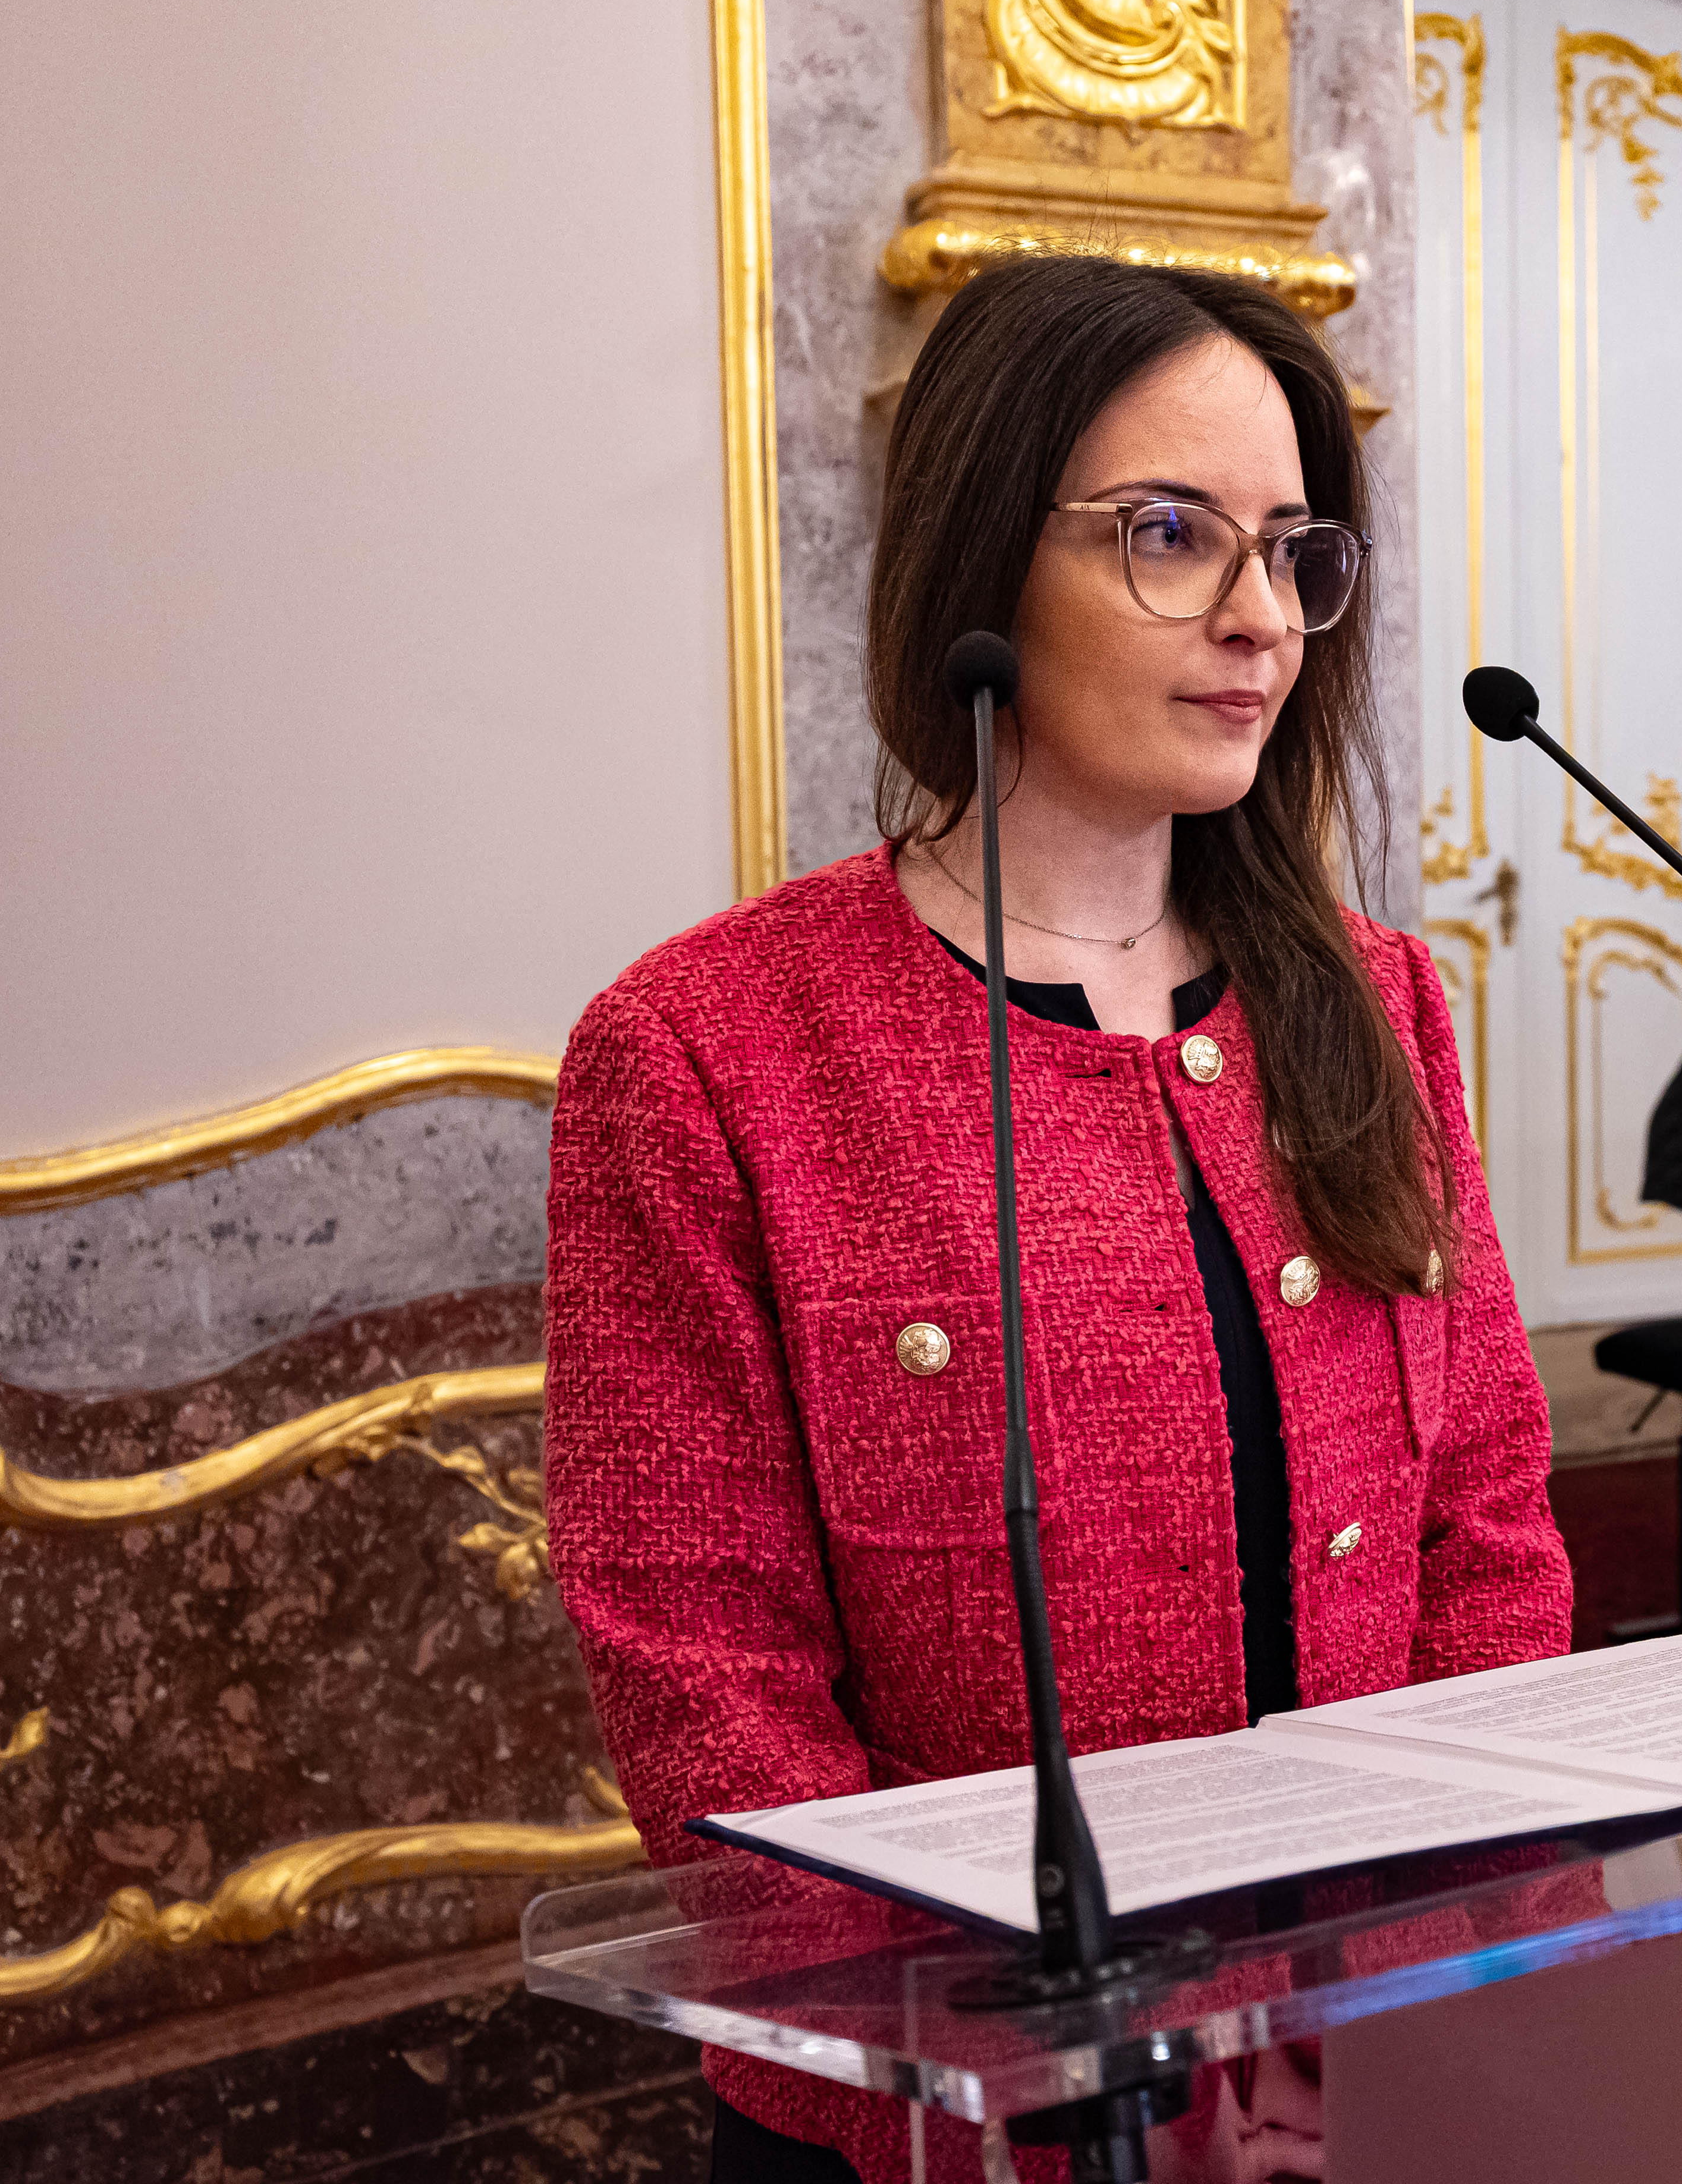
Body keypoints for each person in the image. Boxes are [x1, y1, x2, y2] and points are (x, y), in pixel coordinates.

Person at [542, 255, 1574, 2183]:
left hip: (1363, 2065)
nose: (1260, 618)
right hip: (944, 2111)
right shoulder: (703, 1051)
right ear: (980, 560)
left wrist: (1445, 1962)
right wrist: (973, 2073)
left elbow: (1488, 1526)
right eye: (1168, 536)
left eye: (1293, 552)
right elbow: (705, 1674)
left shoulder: (1379, 1003)